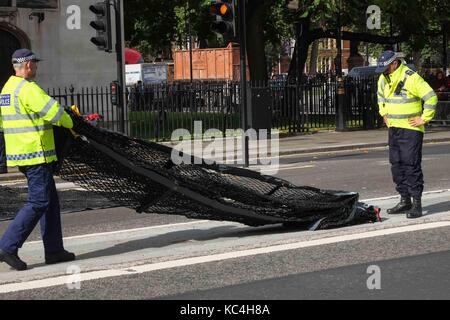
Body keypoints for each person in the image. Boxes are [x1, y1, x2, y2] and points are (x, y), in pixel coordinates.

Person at [0, 49, 76, 271]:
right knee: (39, 201)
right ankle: (7, 246)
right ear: (29, 65)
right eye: (35, 64)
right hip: (36, 153)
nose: (36, 68)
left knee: (50, 201)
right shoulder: (28, 89)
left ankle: (54, 250)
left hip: (20, 154)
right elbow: (53, 112)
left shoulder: (7, 89)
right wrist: (72, 121)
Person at [376, 51, 438, 219]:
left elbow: (431, 97)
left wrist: (424, 118)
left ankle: (416, 203)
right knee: (396, 165)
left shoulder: (411, 77)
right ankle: (405, 200)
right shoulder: (383, 78)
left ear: (394, 63)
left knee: (411, 165)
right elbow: (381, 98)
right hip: (394, 128)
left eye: (386, 67)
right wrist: (384, 114)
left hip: (411, 129)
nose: (383, 71)